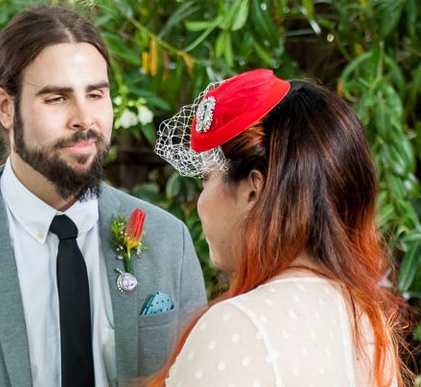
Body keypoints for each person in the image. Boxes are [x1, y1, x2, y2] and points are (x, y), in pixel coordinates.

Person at [0, 5, 207, 387]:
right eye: (57, 98)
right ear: (5, 107)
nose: (84, 118)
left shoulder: (167, 241)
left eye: (96, 94)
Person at [151, 69, 411, 386]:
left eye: (206, 179)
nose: (201, 202)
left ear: (252, 191)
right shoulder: (368, 322)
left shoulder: (238, 325)